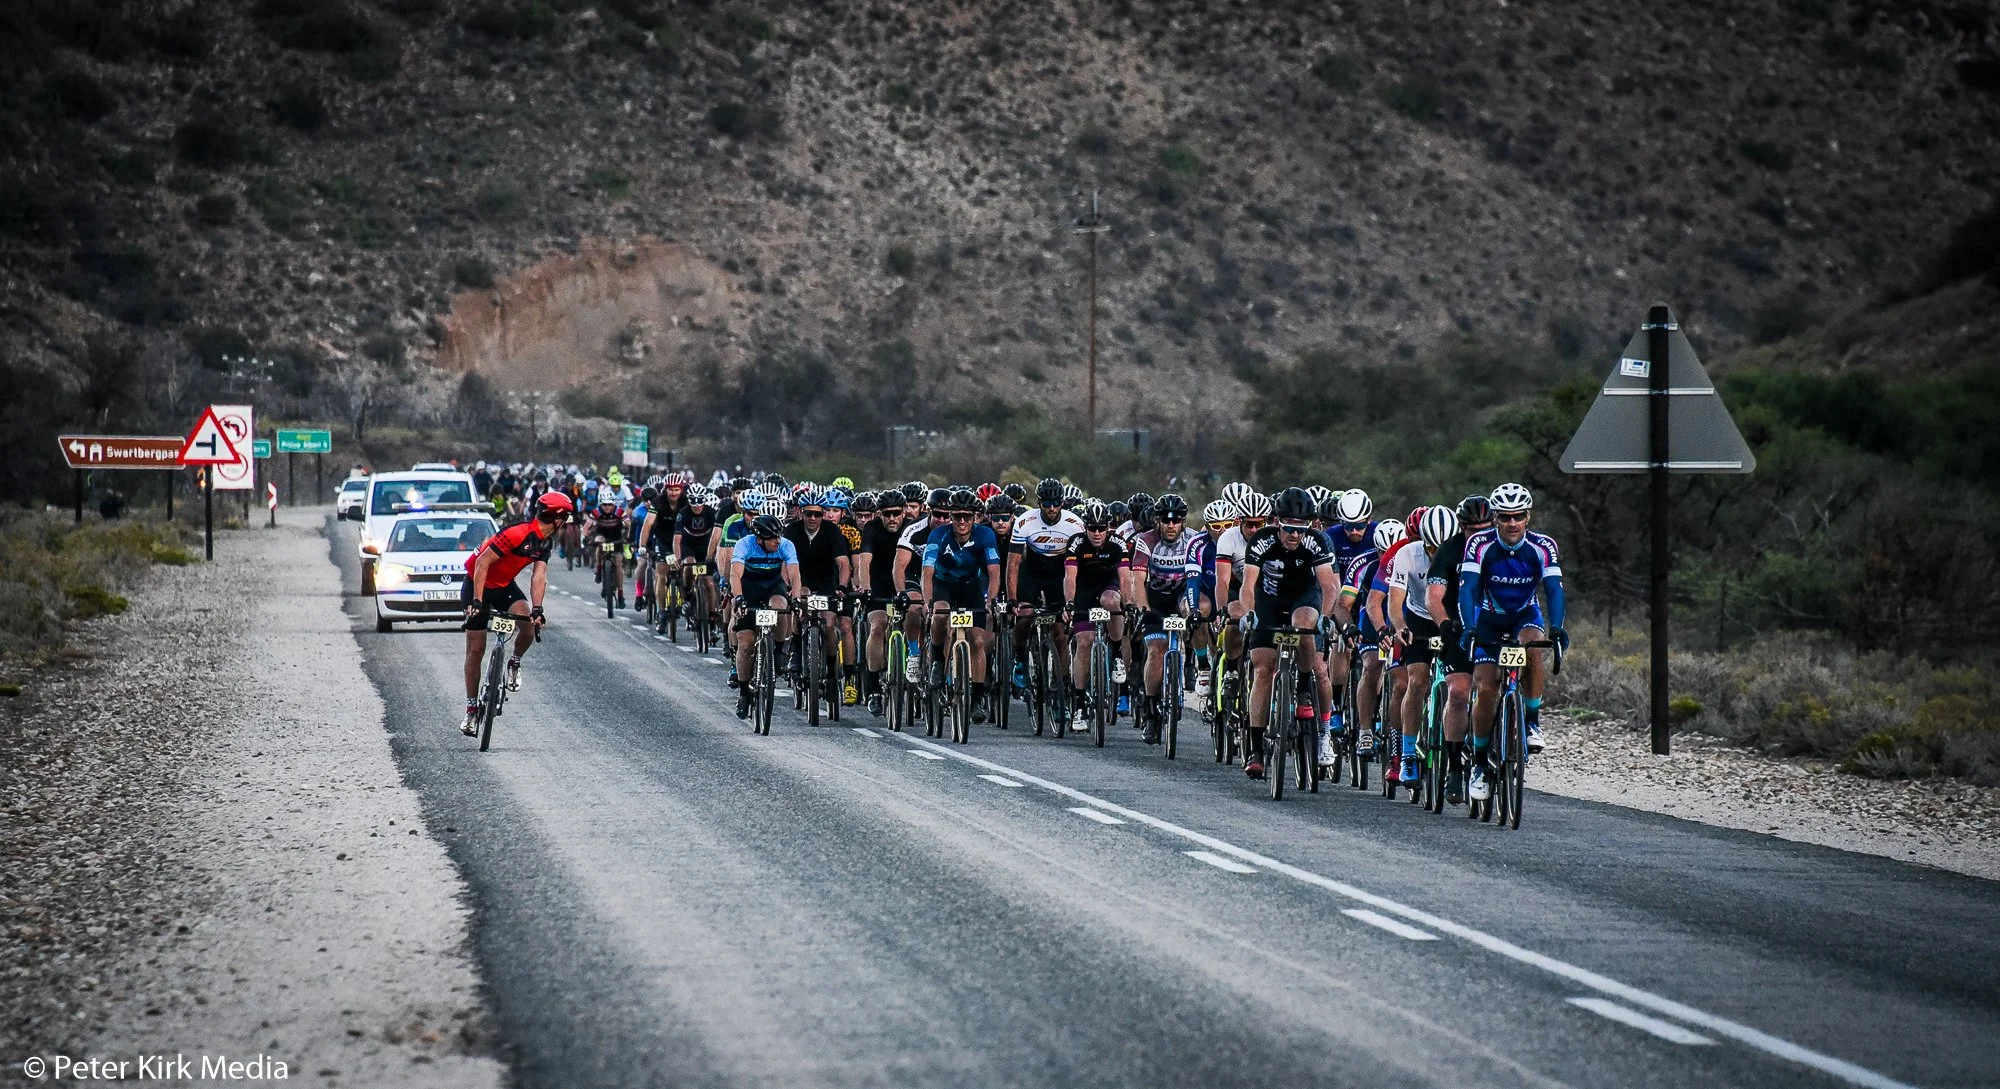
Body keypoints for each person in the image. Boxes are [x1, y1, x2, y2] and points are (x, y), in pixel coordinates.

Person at [1457, 483, 1567, 802]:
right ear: (1496, 519)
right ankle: (1479, 764)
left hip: (1524, 615)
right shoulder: (1479, 544)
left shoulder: (1543, 546)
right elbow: (1467, 589)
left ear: (1527, 517)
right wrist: (1469, 628)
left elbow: (1554, 590)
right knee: (1487, 688)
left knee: (1534, 644)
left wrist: (1557, 627)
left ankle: (1532, 721)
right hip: (1488, 617)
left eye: (1518, 516)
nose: (1512, 523)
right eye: (1505, 517)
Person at [1235, 487, 1341, 781]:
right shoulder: (1261, 541)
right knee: (1263, 669)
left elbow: (1330, 587)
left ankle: (1304, 688)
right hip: (1268, 600)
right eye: (1289, 529)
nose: (1295, 536)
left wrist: (1327, 618)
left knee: (1305, 624)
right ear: (1277, 522)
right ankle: (1256, 749)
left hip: (1303, 597)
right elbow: (1248, 584)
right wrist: (1249, 613)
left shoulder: (1317, 542)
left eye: (1301, 530)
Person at [458, 490, 571, 734]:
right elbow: (482, 563)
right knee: (476, 649)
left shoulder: (544, 542)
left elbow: (539, 575)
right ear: (558, 518)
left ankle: (514, 661)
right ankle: (471, 710)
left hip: (503, 586)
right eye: (567, 518)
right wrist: (477, 601)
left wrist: (538, 608)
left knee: (528, 626)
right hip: (477, 583)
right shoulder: (518, 533)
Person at [1426, 494, 1494, 804]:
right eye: (1470, 530)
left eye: (1484, 528)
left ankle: (1507, 733)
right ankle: (1454, 767)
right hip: (1459, 627)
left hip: (1494, 626)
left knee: (1498, 684)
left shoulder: (1500, 547)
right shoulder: (1450, 550)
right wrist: (1444, 624)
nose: (1477, 535)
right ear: (1461, 527)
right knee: (1459, 694)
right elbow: (1434, 597)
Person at [920, 489, 1004, 720]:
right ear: (950, 517)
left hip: (970, 587)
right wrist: (928, 602)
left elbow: (994, 572)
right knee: (940, 614)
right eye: (957, 516)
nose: (962, 522)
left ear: (975, 517)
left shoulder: (986, 535)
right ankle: (937, 659)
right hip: (943, 584)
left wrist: (991, 600)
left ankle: (976, 699)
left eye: (967, 516)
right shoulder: (938, 535)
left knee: (977, 640)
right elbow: (927, 573)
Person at [1125, 493, 1201, 743]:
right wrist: (1143, 607)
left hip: (1180, 594)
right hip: (1155, 599)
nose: (1171, 525)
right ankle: (1150, 710)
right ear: (1157, 521)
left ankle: (1191, 663)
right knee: (1156, 650)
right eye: (1166, 520)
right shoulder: (1146, 541)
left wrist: (1192, 611)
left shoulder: (1192, 540)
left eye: (1176, 520)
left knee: (1193, 613)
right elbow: (1137, 579)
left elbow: (1195, 579)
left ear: (1183, 522)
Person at [1061, 499, 1128, 733]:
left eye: (1102, 528)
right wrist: (1069, 604)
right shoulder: (1076, 543)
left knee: (1113, 602)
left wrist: (1129, 604)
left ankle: (1117, 652)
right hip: (1083, 591)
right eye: (1092, 528)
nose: (1097, 533)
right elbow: (1069, 578)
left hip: (1107, 587)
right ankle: (1079, 705)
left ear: (1109, 527)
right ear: (1085, 528)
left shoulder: (1118, 543)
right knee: (1085, 642)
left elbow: (1126, 577)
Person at [731, 514, 803, 719]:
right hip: (749, 589)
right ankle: (744, 693)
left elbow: (795, 575)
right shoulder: (745, 545)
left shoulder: (785, 545)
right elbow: (735, 574)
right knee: (745, 643)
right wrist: (738, 599)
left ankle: (779, 650)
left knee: (780, 606)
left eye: (778, 536)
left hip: (773, 587)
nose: (777, 541)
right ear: (759, 538)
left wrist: (796, 599)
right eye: (771, 538)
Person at [784, 490, 854, 701]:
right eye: (808, 514)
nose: (813, 519)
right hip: (801, 578)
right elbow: (784, 563)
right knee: (800, 605)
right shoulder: (792, 531)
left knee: (829, 621)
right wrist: (787, 586)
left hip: (827, 580)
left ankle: (832, 672)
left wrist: (842, 586)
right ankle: (797, 651)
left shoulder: (832, 531)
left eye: (817, 514)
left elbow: (843, 563)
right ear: (800, 513)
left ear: (823, 514)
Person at [856, 490, 909, 714]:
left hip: (906, 583)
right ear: (879, 514)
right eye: (886, 514)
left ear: (904, 512)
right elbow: (864, 562)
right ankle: (874, 688)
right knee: (877, 627)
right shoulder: (872, 529)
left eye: (896, 513)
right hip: (879, 584)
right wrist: (865, 589)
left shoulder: (912, 528)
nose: (892, 519)